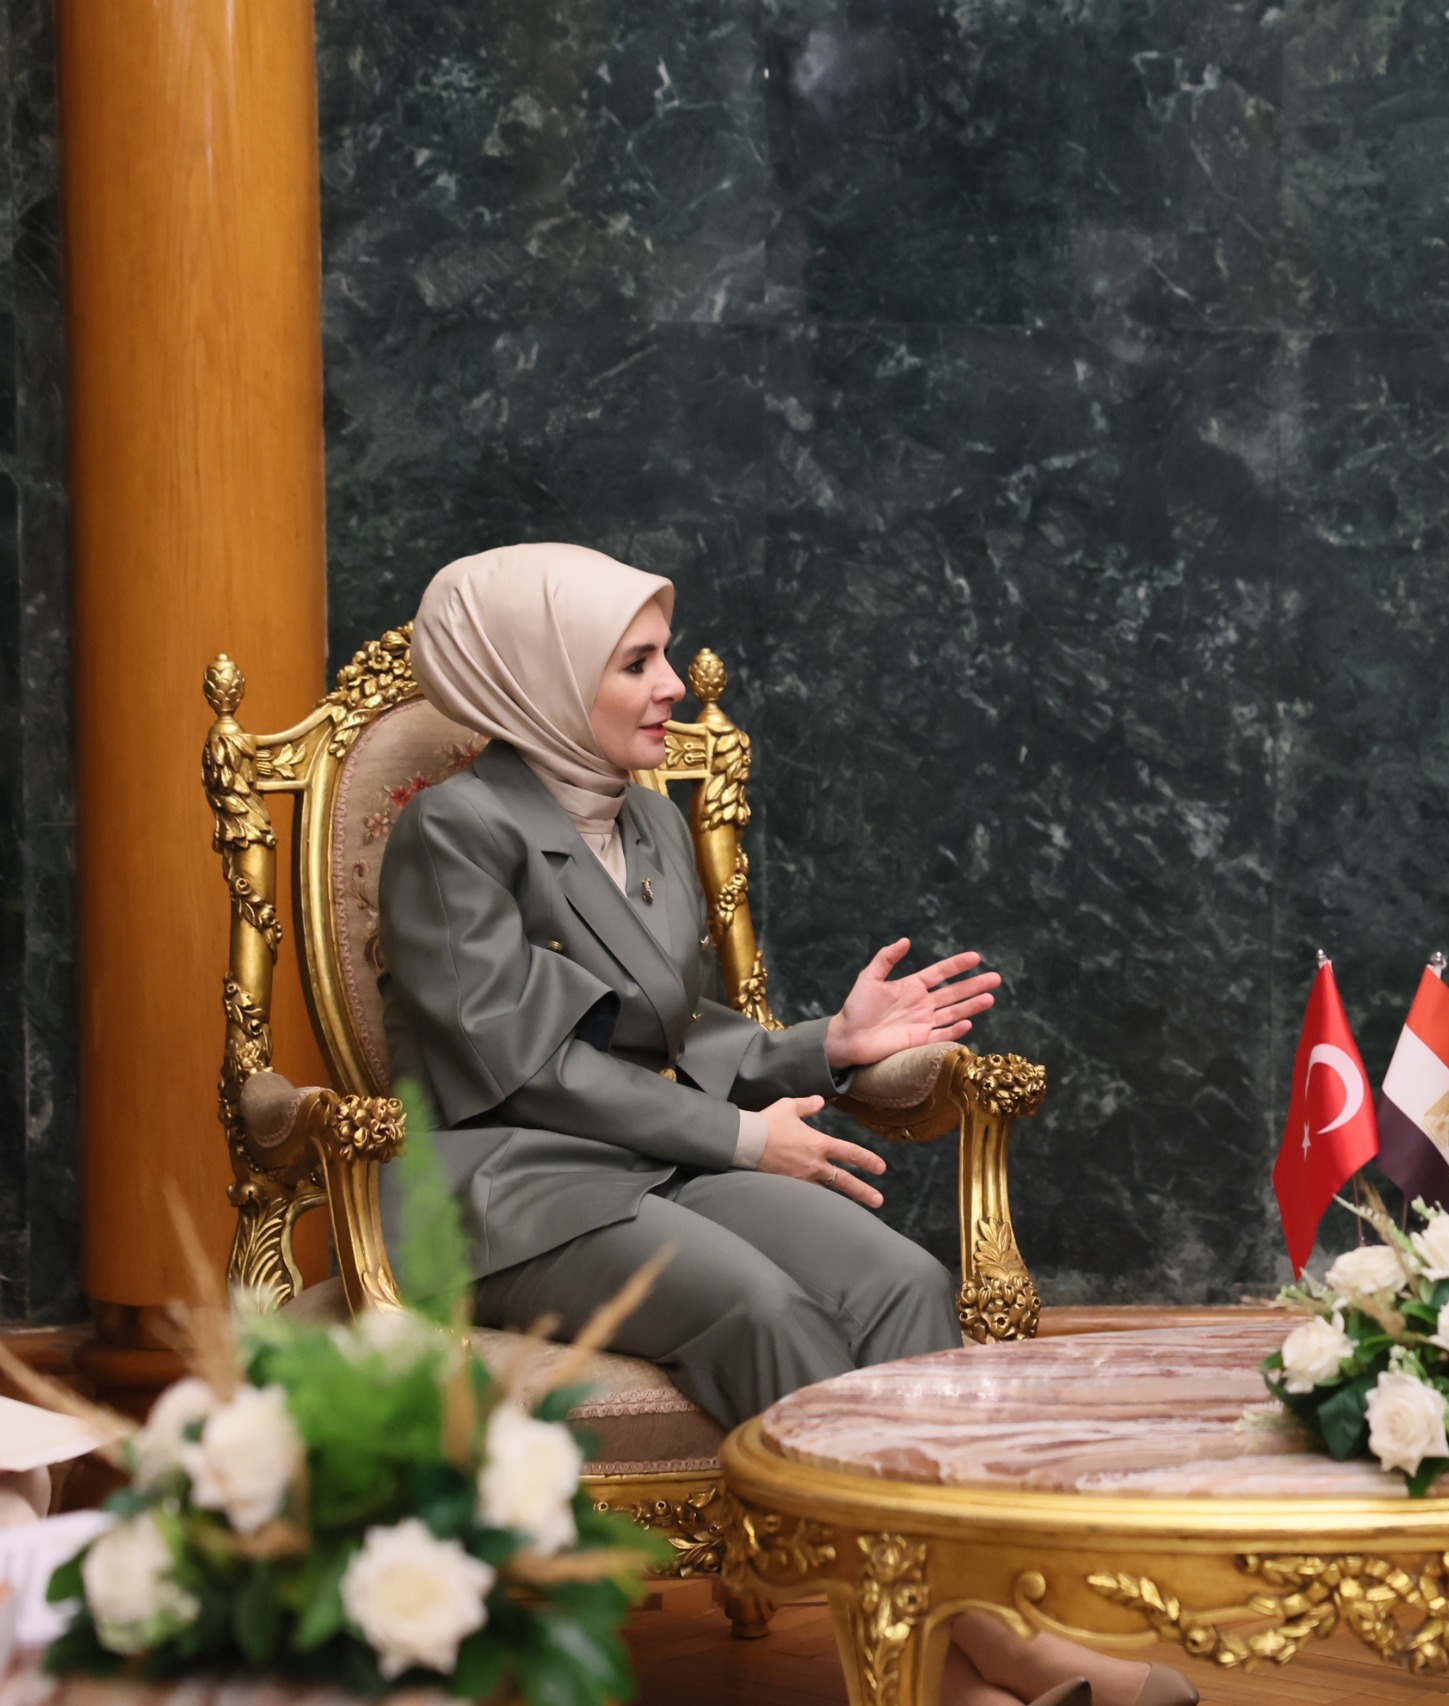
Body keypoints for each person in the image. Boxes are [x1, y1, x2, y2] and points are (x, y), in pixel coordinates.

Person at [381, 543, 1193, 1706]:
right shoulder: (453, 830)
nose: (673, 686)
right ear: (540, 675)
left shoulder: (650, 821)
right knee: (762, 1307)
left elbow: (680, 1029)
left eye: (666, 656)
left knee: (905, 1280)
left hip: (657, 1157)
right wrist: (747, 1139)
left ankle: (943, 1658)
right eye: (636, 662)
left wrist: (829, 1045)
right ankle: (973, 1651)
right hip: (516, 1188)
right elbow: (530, 1068)